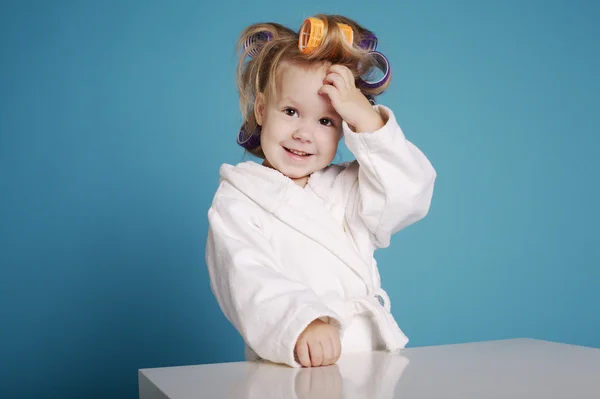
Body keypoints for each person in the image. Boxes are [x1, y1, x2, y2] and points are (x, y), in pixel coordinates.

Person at [205, 14, 436, 368]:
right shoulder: (238, 201)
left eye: (326, 121)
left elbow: (410, 194)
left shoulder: (349, 188)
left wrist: (370, 121)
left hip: (370, 362)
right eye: (291, 111)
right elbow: (247, 278)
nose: (303, 133)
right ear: (262, 109)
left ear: (345, 128)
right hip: (294, 361)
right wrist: (305, 322)